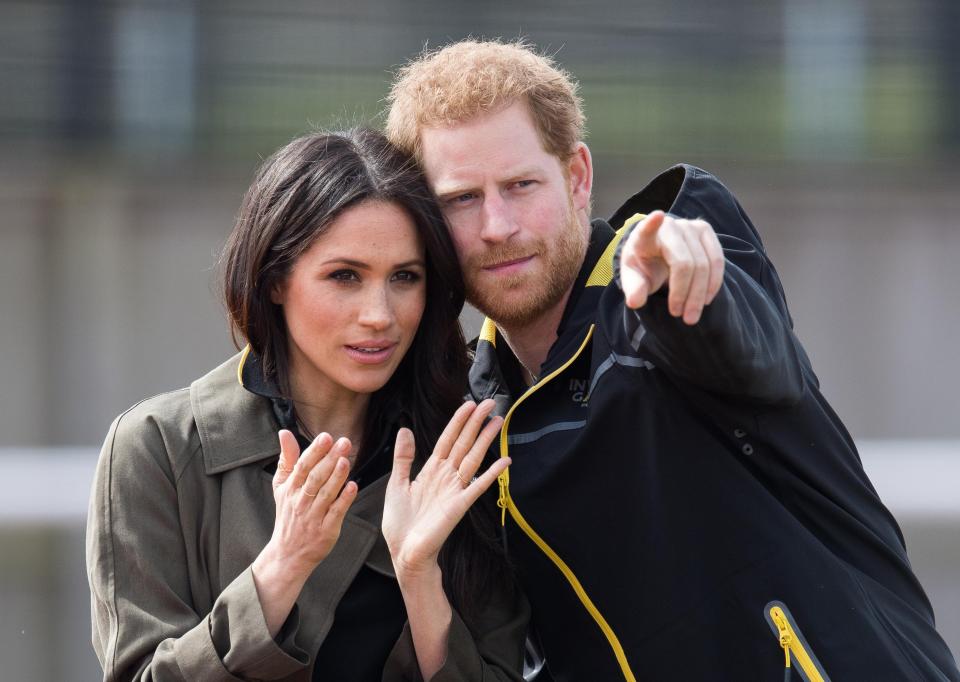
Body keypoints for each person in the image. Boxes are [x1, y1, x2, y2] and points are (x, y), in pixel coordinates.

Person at [385, 40, 960, 681]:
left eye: (521, 185)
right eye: (462, 199)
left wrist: (684, 288)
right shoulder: (467, 421)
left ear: (577, 177)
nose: (497, 225)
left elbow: (740, 341)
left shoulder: (654, 282)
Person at [85, 128, 529, 682]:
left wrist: (418, 576)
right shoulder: (157, 449)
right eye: (344, 276)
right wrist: (282, 565)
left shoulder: (464, 449)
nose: (379, 315)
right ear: (275, 280)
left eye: (405, 278)